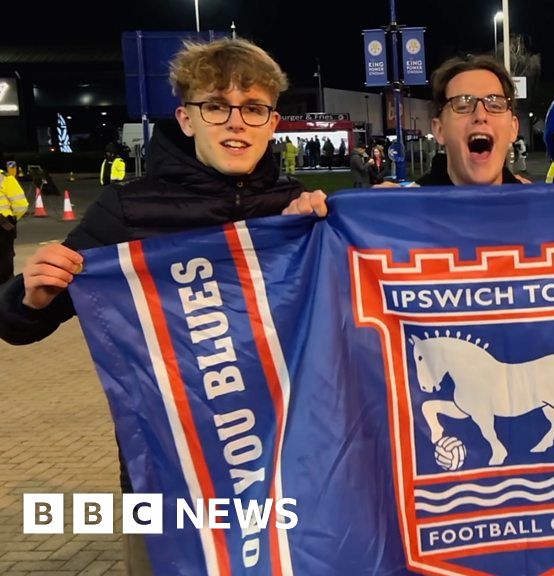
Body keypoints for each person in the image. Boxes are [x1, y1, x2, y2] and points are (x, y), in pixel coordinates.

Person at [0, 37, 324, 574]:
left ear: (272, 122)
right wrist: (29, 294)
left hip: (279, 472)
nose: (235, 122)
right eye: (216, 105)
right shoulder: (128, 210)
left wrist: (318, 232)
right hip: (165, 470)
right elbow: (22, 324)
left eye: (253, 108)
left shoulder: (295, 211)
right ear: (187, 117)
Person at [416, 55, 522, 186]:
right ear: (439, 130)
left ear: (513, 128)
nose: (480, 115)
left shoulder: (536, 203)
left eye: (495, 106)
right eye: (463, 106)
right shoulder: (405, 204)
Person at [0, 163, 29, 283]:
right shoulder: (4, 178)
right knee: (4, 264)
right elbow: (21, 205)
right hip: (2, 225)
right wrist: (12, 220)